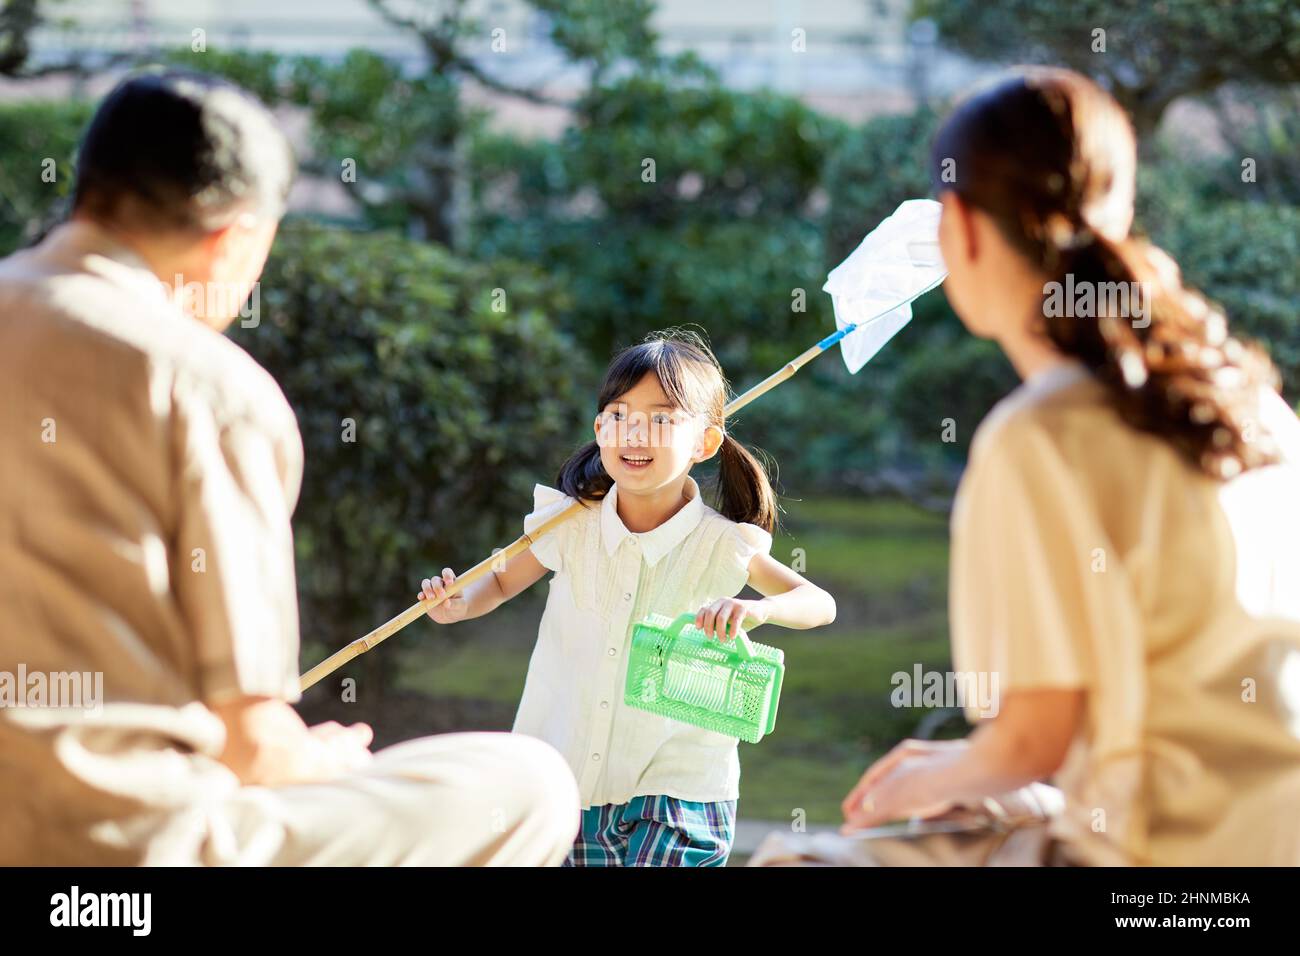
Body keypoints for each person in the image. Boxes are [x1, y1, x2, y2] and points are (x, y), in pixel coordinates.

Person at [0, 69, 579, 866]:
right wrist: (323, 765)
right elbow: (250, 750)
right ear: (234, 235)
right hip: (120, 859)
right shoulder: (202, 383)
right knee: (530, 782)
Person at [754, 67, 1300, 867]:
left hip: (1178, 861)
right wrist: (956, 768)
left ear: (965, 230)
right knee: (974, 804)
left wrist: (907, 789)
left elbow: (1034, 739)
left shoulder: (1041, 436)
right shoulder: (1251, 401)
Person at [419, 329, 837, 865]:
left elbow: (818, 603)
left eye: (662, 418)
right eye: (619, 415)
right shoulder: (567, 524)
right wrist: (460, 602)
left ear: (705, 444)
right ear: (600, 429)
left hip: (679, 791)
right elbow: (498, 580)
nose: (634, 433)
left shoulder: (721, 543)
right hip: (563, 787)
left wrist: (760, 609)